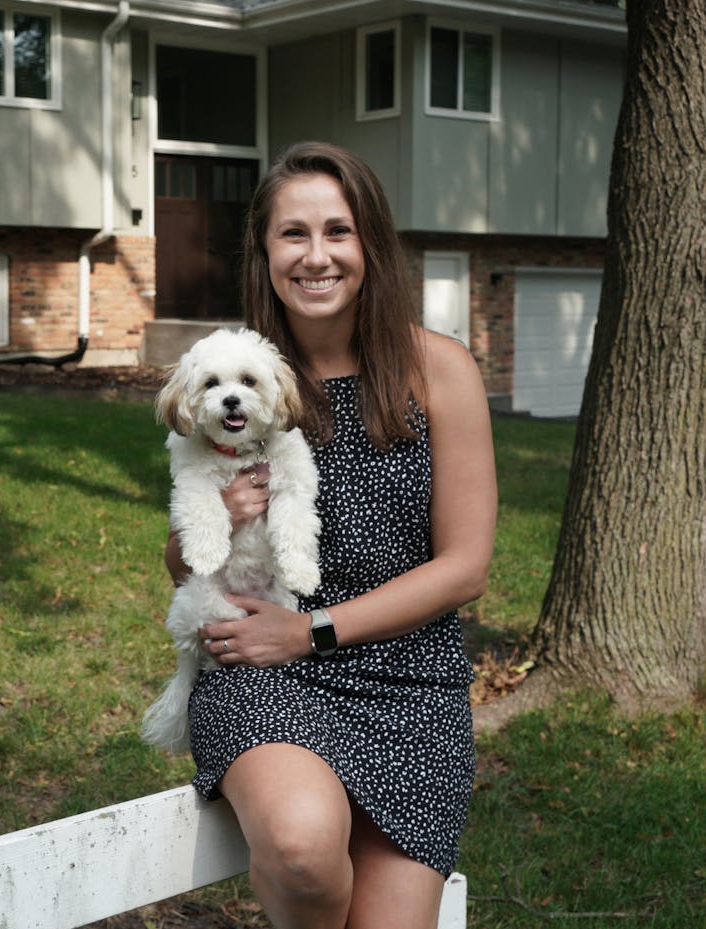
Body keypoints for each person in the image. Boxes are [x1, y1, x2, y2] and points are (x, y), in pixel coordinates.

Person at [165, 141, 497, 929]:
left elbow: (465, 566)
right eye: (293, 234)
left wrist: (309, 631)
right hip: (263, 671)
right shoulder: (237, 373)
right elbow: (183, 552)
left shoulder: (439, 370)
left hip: (409, 685)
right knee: (307, 852)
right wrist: (225, 522)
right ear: (265, 251)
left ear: (369, 244)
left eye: (337, 232)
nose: (316, 256)